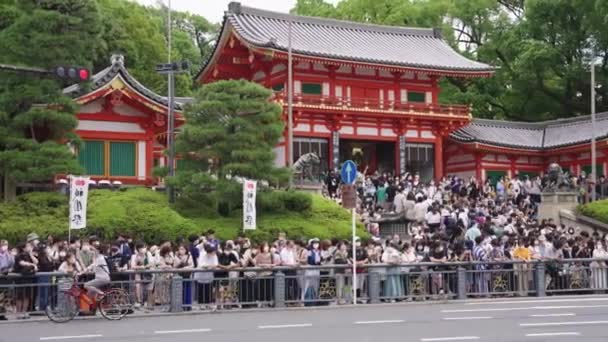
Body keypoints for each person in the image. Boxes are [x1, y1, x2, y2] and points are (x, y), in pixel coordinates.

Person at [13, 243, 38, 319]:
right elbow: (21, 263)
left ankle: (24, 312)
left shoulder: (29, 255)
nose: (30, 247)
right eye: (28, 246)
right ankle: (19, 313)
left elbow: (36, 261)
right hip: (20, 279)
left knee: (27, 296)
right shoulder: (19, 255)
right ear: (23, 248)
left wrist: (31, 254)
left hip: (28, 278)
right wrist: (32, 265)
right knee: (19, 296)